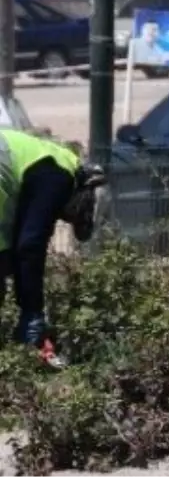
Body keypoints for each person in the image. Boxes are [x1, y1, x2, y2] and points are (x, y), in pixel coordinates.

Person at [0, 129, 106, 367]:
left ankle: (30, 330)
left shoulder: (52, 176)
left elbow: (27, 247)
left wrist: (31, 311)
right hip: (35, 168)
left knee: (23, 248)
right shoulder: (49, 176)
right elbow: (24, 248)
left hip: (41, 167)